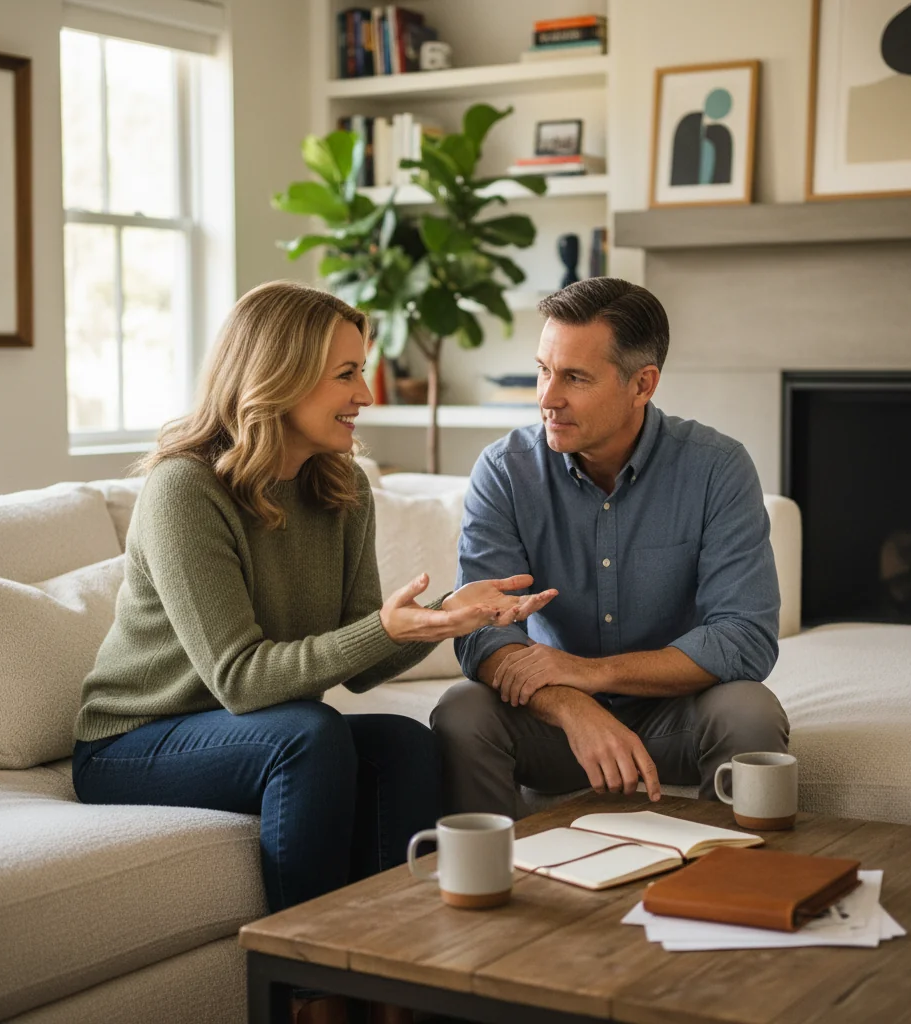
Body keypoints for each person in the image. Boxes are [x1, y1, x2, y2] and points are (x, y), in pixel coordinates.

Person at [72, 282, 554, 1020]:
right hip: (136, 739)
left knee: (400, 742)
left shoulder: (343, 488)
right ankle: (308, 991)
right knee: (308, 734)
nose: (365, 392)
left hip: (253, 731)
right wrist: (390, 629)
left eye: (362, 370)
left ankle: (398, 982)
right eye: (347, 374)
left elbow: (357, 662)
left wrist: (444, 618)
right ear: (280, 373)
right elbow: (237, 679)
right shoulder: (185, 489)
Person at [431, 277, 789, 818]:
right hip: (553, 724)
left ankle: (734, 883)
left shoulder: (717, 468)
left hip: (675, 718)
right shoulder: (505, 472)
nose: (548, 398)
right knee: (462, 710)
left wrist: (591, 672)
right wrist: (575, 707)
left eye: (574, 377)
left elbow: (745, 637)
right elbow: (483, 632)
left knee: (749, 712)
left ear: (642, 384)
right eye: (544, 370)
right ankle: (507, 881)